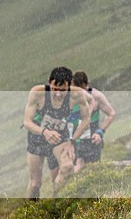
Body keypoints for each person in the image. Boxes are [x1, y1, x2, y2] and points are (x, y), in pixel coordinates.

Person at [23, 67, 90, 199]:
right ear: (49, 82)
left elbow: (86, 120)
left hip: (59, 136)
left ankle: (56, 201)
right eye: (54, 89)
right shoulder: (37, 93)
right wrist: (45, 132)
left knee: (68, 167)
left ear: (69, 85)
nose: (58, 94)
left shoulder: (77, 94)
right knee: (35, 183)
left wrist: (72, 141)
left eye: (62, 90)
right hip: (37, 136)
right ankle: (29, 209)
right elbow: (27, 122)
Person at [69, 71, 116, 173]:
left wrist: (100, 132)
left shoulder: (96, 96)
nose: (82, 93)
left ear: (87, 84)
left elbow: (111, 114)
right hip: (74, 139)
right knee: (76, 168)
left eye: (84, 89)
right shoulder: (68, 97)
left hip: (92, 139)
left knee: (93, 170)